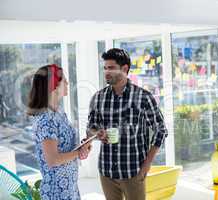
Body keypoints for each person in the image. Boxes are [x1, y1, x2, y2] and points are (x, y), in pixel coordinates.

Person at [87, 48, 168, 200]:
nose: (106, 72)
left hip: (133, 172)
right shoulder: (98, 98)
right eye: (105, 68)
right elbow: (90, 127)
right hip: (107, 171)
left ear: (124, 69)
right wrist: (98, 133)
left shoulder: (143, 97)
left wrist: (147, 163)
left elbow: (161, 130)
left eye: (111, 68)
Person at [27, 64, 91, 200]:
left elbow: (66, 148)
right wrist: (78, 153)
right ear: (54, 86)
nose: (68, 83)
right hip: (56, 193)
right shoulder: (45, 119)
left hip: (70, 188)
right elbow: (53, 160)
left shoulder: (59, 111)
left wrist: (84, 146)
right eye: (64, 80)